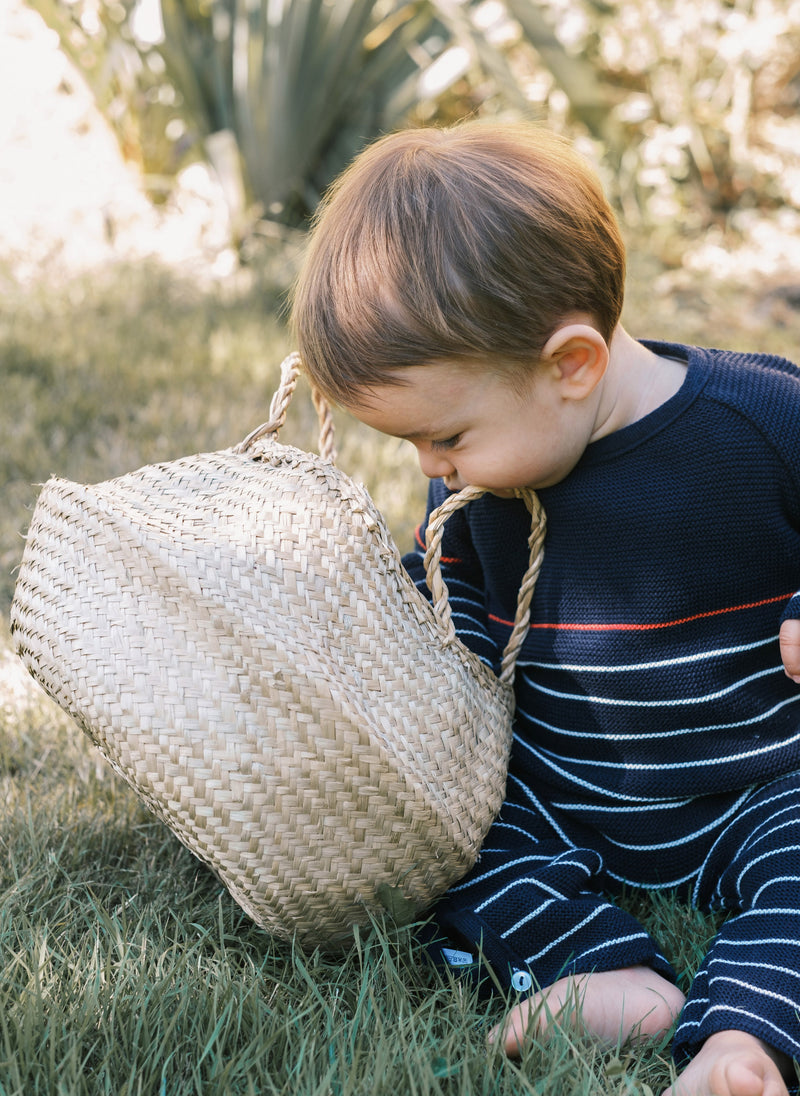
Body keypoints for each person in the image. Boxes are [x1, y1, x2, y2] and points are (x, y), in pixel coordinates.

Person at [290, 120, 800, 1096]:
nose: (431, 469)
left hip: (753, 787)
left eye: (442, 437)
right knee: (440, 840)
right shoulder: (482, 483)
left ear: (568, 364)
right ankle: (603, 971)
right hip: (561, 789)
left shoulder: (761, 422)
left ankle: (740, 1037)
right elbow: (457, 608)